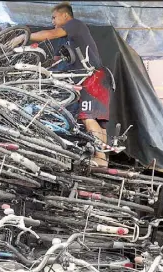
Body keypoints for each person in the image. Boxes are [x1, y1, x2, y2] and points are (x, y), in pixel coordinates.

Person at [7, 2, 112, 168]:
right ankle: (103, 159)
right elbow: (56, 61)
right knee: (98, 122)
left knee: (89, 117)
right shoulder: (70, 41)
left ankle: (101, 159)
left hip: (93, 78)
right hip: (97, 79)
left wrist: (24, 37)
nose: (53, 21)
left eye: (54, 17)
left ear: (65, 15)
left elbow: (51, 33)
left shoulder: (75, 25)